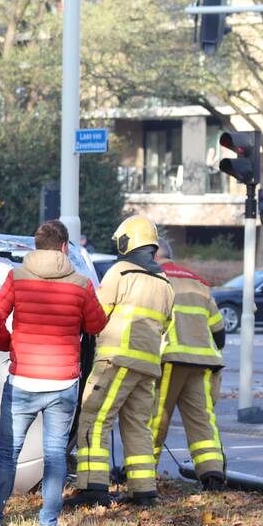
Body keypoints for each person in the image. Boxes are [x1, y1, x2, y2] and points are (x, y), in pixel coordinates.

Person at [0, 221, 108, 526]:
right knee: (56, 453)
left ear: (35, 247)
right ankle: (48, 523)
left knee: (8, 451)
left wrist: (9, 343)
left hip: (22, 380)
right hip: (62, 382)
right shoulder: (80, 283)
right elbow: (96, 323)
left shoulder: (16, 277)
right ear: (64, 247)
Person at [66, 215, 174, 508]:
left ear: (128, 242)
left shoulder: (121, 272)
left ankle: (93, 487)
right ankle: (144, 491)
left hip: (117, 360)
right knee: (137, 426)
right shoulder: (164, 282)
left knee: (95, 419)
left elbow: (97, 315)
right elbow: (165, 324)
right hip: (148, 365)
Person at [151, 238, 227, 490]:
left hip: (169, 359)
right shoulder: (198, 282)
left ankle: (140, 475)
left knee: (155, 418)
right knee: (201, 420)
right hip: (203, 363)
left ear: (152, 256)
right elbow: (219, 331)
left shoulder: (155, 278)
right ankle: (213, 474)